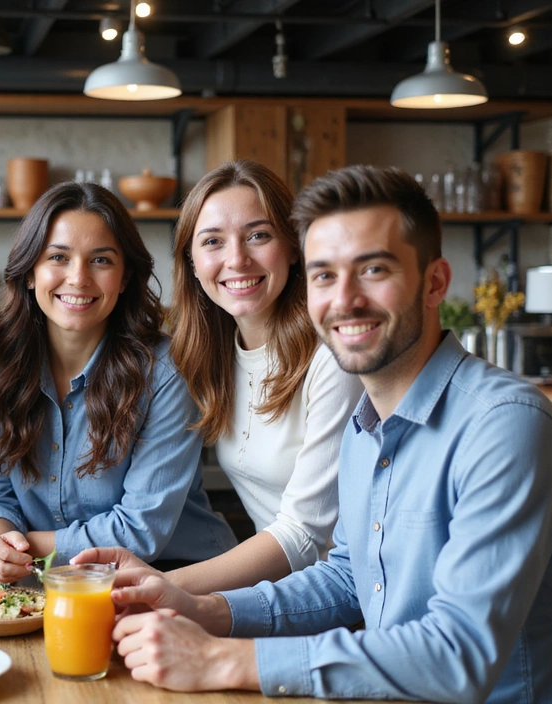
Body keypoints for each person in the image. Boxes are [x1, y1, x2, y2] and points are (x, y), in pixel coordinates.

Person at [82, 165, 552, 703]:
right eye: (325, 275)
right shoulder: (365, 426)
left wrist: (225, 658)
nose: (345, 299)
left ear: (435, 283)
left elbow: (459, 654)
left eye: (373, 270)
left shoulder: (505, 423)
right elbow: (348, 579)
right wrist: (202, 609)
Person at [84, 160, 363, 593]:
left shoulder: (331, 357)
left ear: (293, 246)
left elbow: (304, 534)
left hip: (349, 599)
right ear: (192, 262)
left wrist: (165, 584)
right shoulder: (206, 356)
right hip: (284, 593)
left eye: (258, 235)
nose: (237, 259)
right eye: (213, 241)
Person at [0, 181, 238, 584]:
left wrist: (20, 549)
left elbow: (139, 532)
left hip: (178, 577)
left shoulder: (166, 368)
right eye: (58, 257)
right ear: (29, 273)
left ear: (126, 277)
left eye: (101, 261)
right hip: (46, 583)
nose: (78, 279)